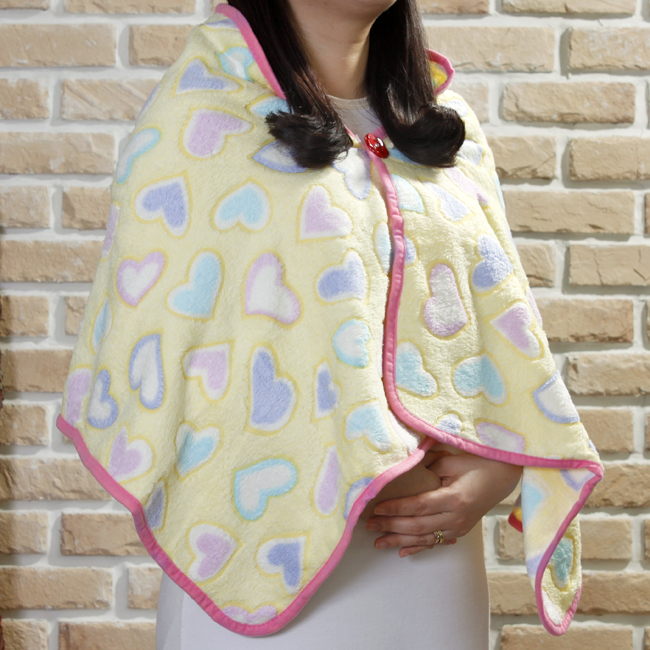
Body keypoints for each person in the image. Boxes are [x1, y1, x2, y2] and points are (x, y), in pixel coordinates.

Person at [56, 0, 603, 648]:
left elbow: (501, 334)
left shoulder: (443, 127)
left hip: (429, 562)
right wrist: (364, 457)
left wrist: (498, 468)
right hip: (269, 553)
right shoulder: (204, 116)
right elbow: (164, 337)